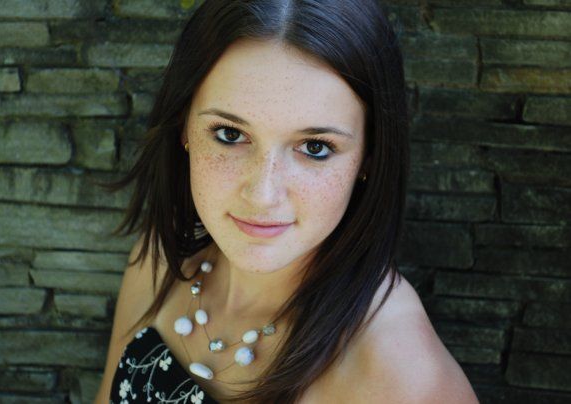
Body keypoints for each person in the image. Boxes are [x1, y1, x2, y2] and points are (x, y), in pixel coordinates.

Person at [94, 0, 479, 403]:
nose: (263, 194)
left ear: (370, 155)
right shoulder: (158, 261)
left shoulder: (403, 378)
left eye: (314, 147)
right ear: (184, 127)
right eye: (229, 135)